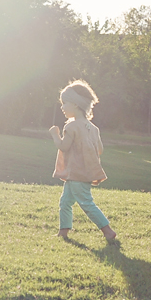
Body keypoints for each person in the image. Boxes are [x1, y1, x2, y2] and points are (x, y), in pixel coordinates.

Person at [49, 80, 117, 241]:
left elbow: (63, 146)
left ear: (75, 104)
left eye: (65, 103)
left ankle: (108, 230)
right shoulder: (93, 128)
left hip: (76, 174)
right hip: (82, 173)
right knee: (65, 202)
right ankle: (63, 231)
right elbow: (99, 150)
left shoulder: (71, 127)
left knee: (86, 203)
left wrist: (54, 134)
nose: (62, 107)